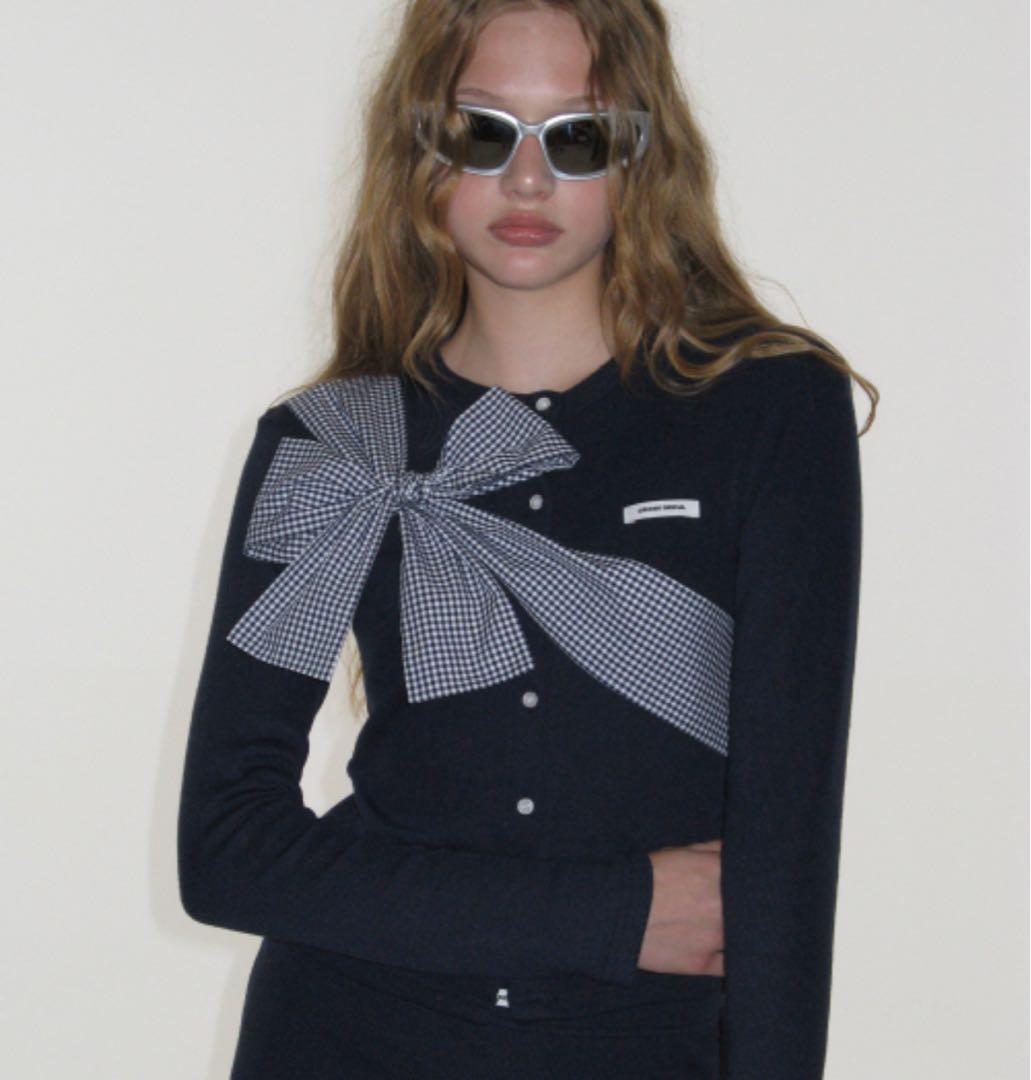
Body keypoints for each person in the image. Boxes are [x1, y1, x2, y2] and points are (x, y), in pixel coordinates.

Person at [176, 1, 878, 1077]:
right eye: (483, 130)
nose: (527, 180)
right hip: (338, 1038)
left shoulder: (770, 412)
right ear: (421, 146)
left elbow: (785, 851)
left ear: (642, 153)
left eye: (577, 136)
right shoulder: (332, 446)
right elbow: (226, 850)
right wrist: (611, 913)